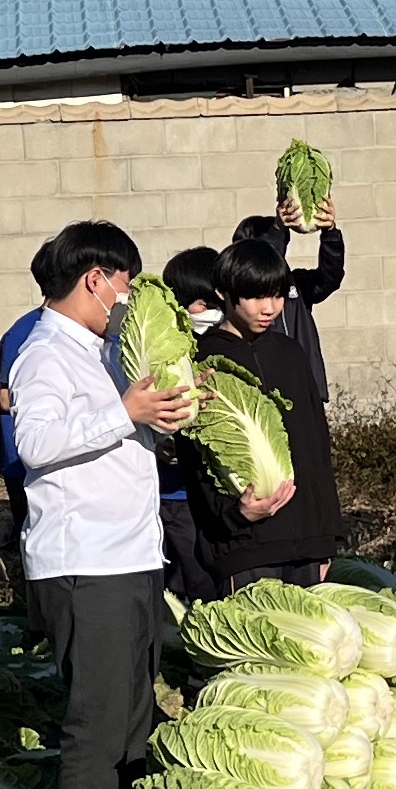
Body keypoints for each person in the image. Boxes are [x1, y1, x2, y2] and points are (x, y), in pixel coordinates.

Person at [5, 219, 192, 789]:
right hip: (86, 562)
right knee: (99, 719)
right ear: (95, 280)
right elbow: (33, 442)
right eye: (125, 286)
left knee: (134, 717)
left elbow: (119, 442)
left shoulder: (99, 353)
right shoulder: (43, 354)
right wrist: (125, 413)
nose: (128, 300)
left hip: (133, 554)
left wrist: (159, 418)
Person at [181, 237, 338, 586]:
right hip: (242, 548)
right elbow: (197, 459)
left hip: (304, 548)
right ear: (223, 292)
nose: (270, 308)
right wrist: (235, 515)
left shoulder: (290, 353)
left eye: (278, 295)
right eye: (256, 296)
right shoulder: (200, 361)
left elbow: (315, 447)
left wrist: (325, 539)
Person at [152, 246, 230, 604]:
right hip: (177, 495)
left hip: (221, 495)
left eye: (215, 301)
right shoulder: (164, 353)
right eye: (201, 304)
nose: (210, 312)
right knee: (194, 586)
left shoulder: (228, 348)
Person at [236, 176, 345, 403]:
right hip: (264, 394)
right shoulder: (235, 295)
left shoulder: (296, 285)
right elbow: (258, 269)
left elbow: (330, 277)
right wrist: (276, 229)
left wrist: (330, 232)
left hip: (305, 392)